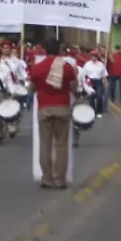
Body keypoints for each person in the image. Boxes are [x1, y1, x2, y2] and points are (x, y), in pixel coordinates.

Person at [28, 39, 78, 189]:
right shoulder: (66, 67)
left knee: (45, 145)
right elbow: (74, 86)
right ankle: (60, 179)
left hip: (44, 109)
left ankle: (47, 179)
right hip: (62, 107)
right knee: (61, 145)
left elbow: (31, 87)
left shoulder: (37, 68)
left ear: (44, 50)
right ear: (60, 50)